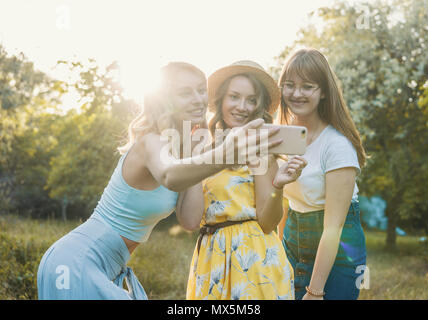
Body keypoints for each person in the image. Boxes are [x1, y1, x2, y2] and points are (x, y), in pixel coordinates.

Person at [37, 62, 280, 300]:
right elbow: (169, 176)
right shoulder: (151, 142)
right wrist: (226, 153)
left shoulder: (182, 151)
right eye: (185, 93)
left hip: (106, 266)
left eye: (200, 90)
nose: (198, 99)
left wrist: (197, 153)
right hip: (76, 261)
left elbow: (190, 219)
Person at [185, 60, 307, 300]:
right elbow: (189, 219)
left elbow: (268, 222)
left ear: (259, 107)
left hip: (254, 260)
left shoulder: (261, 149)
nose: (242, 107)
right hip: (211, 257)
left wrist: (278, 186)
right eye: (234, 96)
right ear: (221, 100)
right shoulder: (201, 147)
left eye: (251, 100)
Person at [276, 48, 367, 300]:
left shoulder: (337, 145)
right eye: (289, 85)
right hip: (294, 236)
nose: (296, 93)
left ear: (324, 91)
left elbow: (333, 228)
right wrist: (280, 250)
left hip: (338, 247)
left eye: (307, 86)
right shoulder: (282, 136)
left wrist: (315, 292)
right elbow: (284, 201)